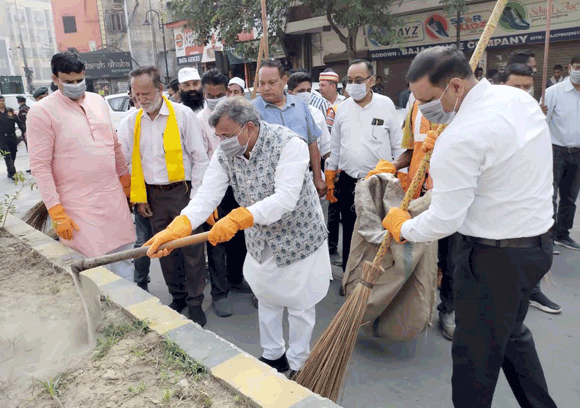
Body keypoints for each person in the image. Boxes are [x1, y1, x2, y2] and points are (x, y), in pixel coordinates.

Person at [383, 46, 557, 408]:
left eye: (426, 100)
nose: (422, 110)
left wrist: (404, 227)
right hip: (536, 249)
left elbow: (445, 220)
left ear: (456, 86)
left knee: (473, 360)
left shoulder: (460, 136)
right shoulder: (517, 98)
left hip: (494, 259)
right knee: (512, 337)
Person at [144, 97, 332, 375]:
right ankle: (273, 356)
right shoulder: (225, 154)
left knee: (299, 304)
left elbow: (285, 199)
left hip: (298, 236)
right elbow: (207, 194)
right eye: (218, 136)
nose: (223, 142)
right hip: (260, 240)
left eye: (227, 135)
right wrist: (180, 225)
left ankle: (299, 362)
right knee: (266, 298)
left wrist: (239, 217)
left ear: (250, 128)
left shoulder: (289, 144)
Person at [27, 52, 135, 279]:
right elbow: (40, 166)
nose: (76, 86)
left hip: (113, 198)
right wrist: (56, 211)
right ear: (55, 79)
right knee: (94, 269)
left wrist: (125, 181)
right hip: (76, 205)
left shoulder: (98, 101)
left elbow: (114, 144)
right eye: (68, 81)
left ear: (85, 74)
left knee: (124, 257)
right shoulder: (41, 111)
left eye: (79, 80)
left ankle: (134, 311)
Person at [118, 66, 210, 326]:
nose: (141, 100)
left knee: (192, 250)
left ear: (160, 89)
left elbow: (200, 158)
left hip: (183, 192)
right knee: (164, 250)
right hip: (153, 197)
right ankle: (178, 297)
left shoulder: (182, 116)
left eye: (146, 93)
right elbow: (127, 163)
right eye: (136, 95)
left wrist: (197, 199)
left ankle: (195, 302)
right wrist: (139, 198)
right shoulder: (130, 122)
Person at [325, 59, 404, 275]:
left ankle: (377, 276)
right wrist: (330, 175)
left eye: (358, 80)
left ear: (371, 80)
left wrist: (402, 178)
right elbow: (335, 146)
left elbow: (398, 145)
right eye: (349, 80)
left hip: (379, 183)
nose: (353, 85)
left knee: (379, 230)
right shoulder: (341, 109)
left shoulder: (385, 105)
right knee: (350, 231)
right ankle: (350, 276)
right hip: (350, 181)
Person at [501, 63, 562, 314]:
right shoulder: (491, 113)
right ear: (503, 86)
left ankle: (533, 291)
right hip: (502, 195)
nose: (523, 91)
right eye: (517, 86)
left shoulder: (535, 112)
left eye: (527, 87)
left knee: (535, 247)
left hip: (533, 191)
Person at [197, 68, 252, 317]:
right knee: (216, 240)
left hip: (237, 186)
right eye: (211, 94)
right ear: (204, 93)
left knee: (239, 236)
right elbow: (199, 161)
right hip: (212, 188)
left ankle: (236, 277)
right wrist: (204, 201)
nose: (216, 98)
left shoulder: (237, 116)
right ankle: (219, 293)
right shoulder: (199, 121)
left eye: (221, 94)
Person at [252, 60, 327, 198]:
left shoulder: (300, 105)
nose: (266, 88)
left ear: (284, 80)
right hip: (269, 188)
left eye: (271, 82)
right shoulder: (251, 111)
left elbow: (312, 144)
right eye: (262, 83)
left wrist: (318, 178)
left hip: (303, 182)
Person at [544, 54, 580, 252]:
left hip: (578, 152)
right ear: (569, 67)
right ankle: (547, 236)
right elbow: (542, 122)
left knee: (570, 197)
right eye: (577, 66)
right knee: (550, 195)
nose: (579, 71)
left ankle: (562, 234)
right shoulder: (553, 92)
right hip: (556, 150)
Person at [0, 95, 25, 180]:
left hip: (12, 136)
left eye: (2, 100)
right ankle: (12, 173)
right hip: (1, 138)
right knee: (7, 155)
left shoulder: (10, 111)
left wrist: (24, 131)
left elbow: (18, 121)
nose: (1, 102)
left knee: (13, 154)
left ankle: (10, 171)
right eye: (0, 101)